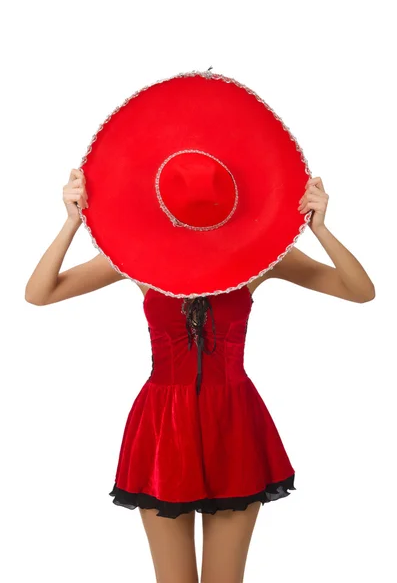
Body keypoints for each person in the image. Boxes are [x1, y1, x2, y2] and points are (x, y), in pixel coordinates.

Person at [25, 168, 375, 583]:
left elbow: (360, 290)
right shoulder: (137, 258)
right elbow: (39, 293)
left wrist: (321, 229)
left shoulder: (259, 258)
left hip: (234, 425)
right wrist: (71, 223)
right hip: (162, 428)